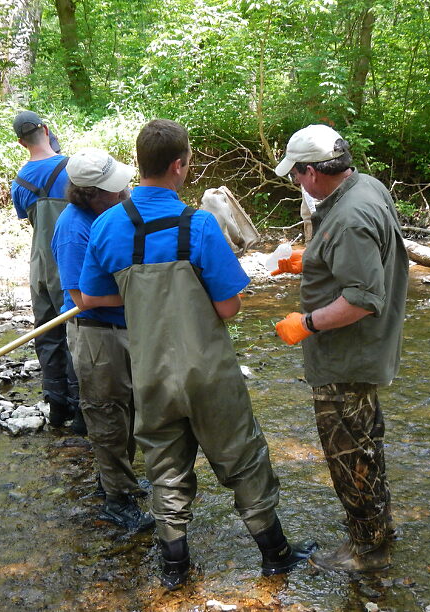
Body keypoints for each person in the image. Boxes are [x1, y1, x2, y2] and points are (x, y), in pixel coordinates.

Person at [79, 119, 315, 590]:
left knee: (164, 468)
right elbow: (228, 307)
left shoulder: (106, 225)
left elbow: (89, 298)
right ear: (179, 166)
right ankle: (276, 556)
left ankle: (174, 569)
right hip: (209, 372)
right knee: (242, 459)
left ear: (138, 165)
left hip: (150, 375)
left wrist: (142, 297)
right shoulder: (201, 224)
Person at [273, 124, 408, 572]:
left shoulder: (350, 217)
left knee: (349, 455)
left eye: (296, 173)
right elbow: (359, 261)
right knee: (367, 446)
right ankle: (379, 529)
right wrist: (307, 262)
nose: (294, 181)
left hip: (346, 359)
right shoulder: (365, 185)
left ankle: (366, 551)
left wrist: (305, 324)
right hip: (363, 354)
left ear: (313, 171)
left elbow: (362, 300)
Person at [50, 148, 153, 532]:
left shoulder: (113, 214)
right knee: (107, 413)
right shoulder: (73, 227)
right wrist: (149, 293)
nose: (125, 189)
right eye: (114, 187)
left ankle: (114, 480)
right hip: (95, 331)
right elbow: (82, 299)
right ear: (90, 193)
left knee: (127, 410)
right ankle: (116, 501)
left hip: (126, 326)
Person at [11, 110, 84, 433]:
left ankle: (57, 406)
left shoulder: (19, 182)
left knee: (47, 335)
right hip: (70, 261)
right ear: (46, 129)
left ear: (20, 142)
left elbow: (31, 222)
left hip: (38, 267)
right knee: (77, 333)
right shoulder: (75, 168)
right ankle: (83, 411)